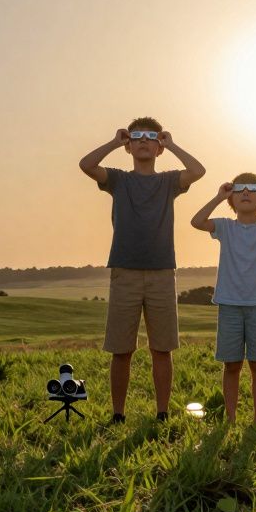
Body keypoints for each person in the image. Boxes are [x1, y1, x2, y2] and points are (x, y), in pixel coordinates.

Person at [78, 118, 205, 423]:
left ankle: (162, 413)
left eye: (151, 137)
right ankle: (118, 415)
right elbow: (86, 164)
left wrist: (171, 143)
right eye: (137, 137)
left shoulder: (169, 181)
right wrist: (113, 141)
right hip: (125, 272)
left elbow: (198, 171)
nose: (144, 141)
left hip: (162, 271)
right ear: (129, 145)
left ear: (159, 147)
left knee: (162, 349)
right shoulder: (119, 180)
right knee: (121, 350)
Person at [190, 173, 256, 427]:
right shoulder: (225, 226)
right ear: (231, 199)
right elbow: (196, 221)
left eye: (252, 189)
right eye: (239, 189)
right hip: (229, 305)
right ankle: (230, 418)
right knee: (232, 365)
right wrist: (218, 196)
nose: (245, 193)